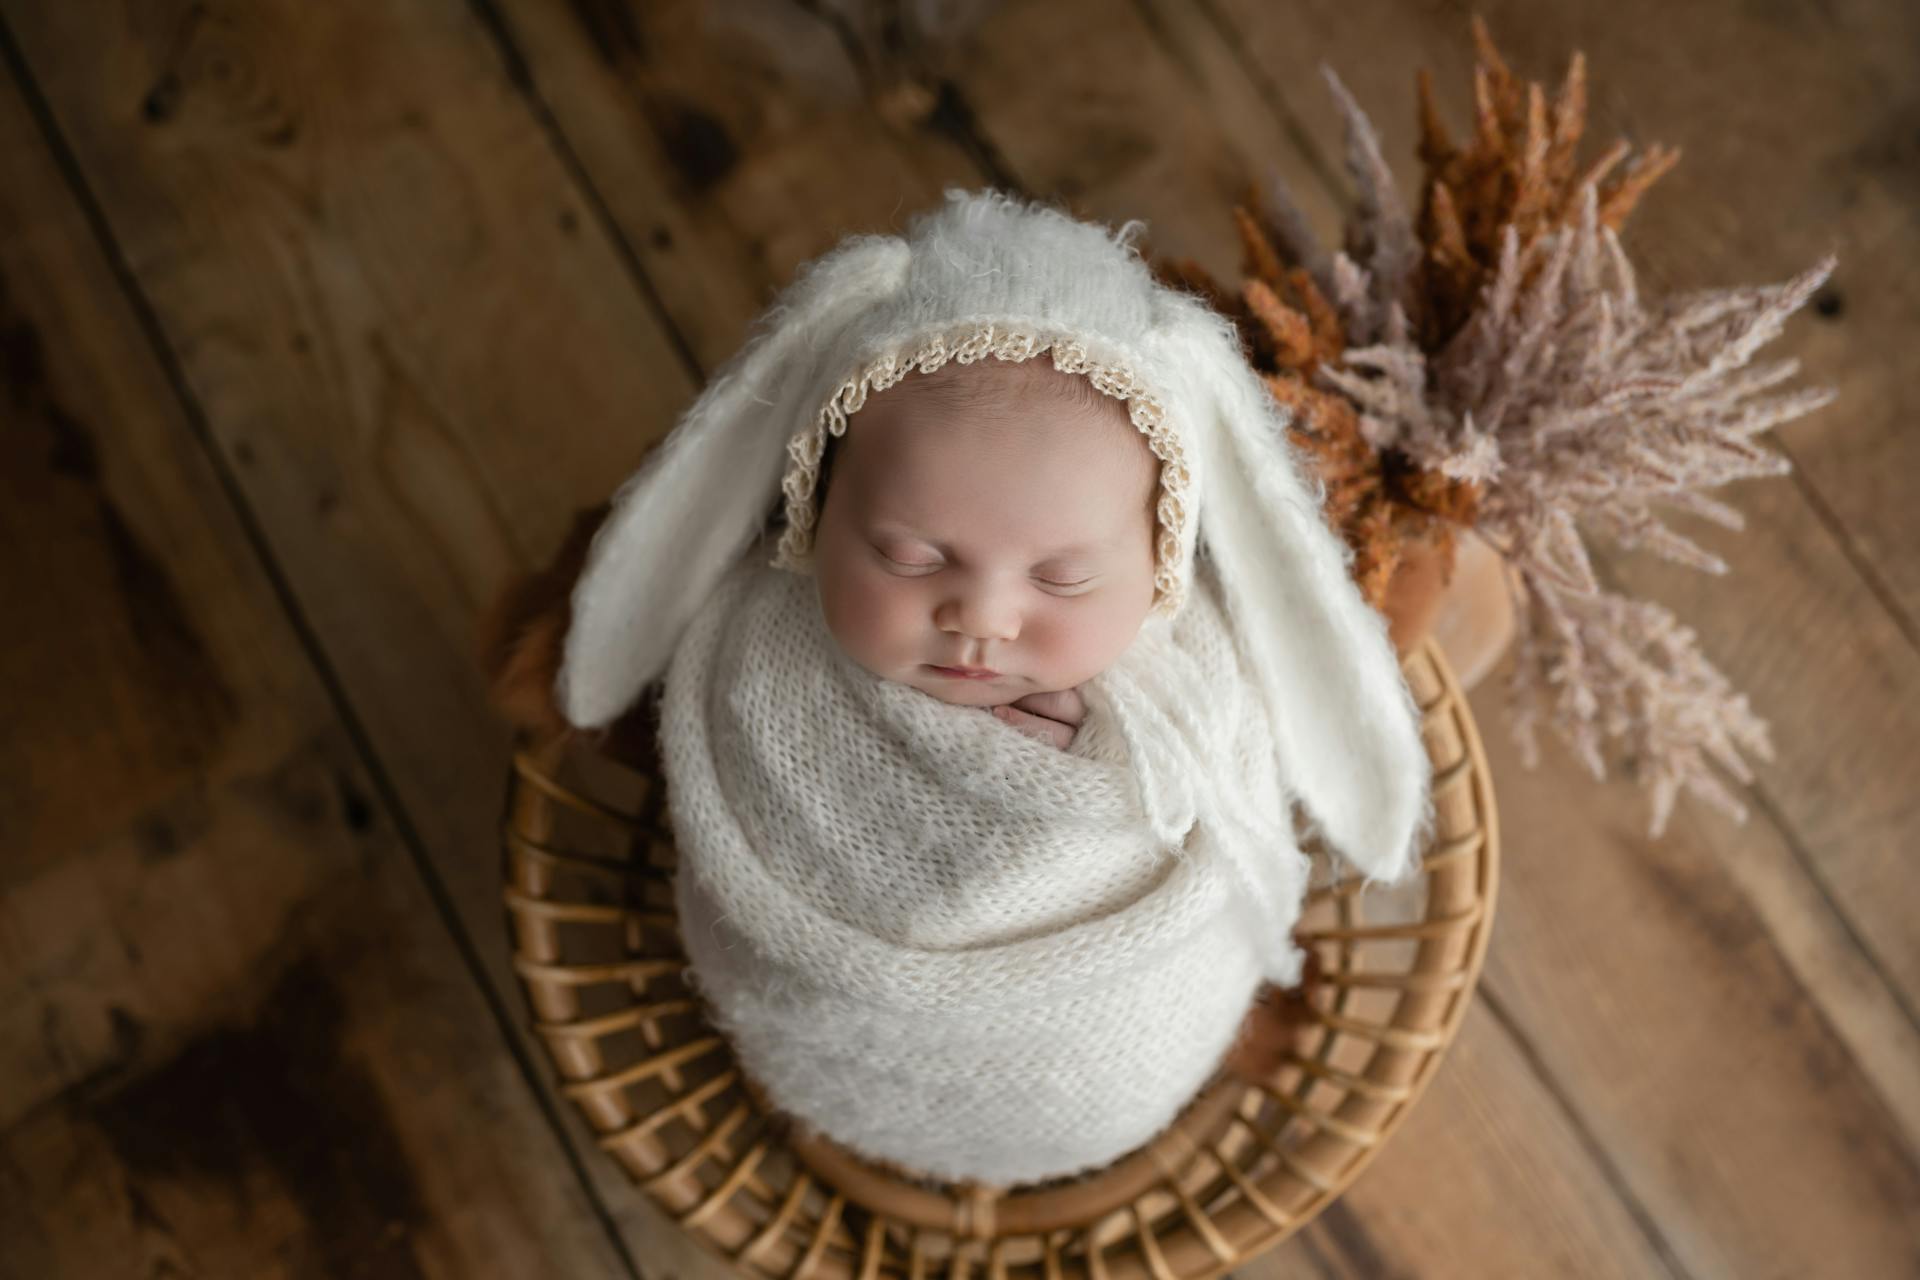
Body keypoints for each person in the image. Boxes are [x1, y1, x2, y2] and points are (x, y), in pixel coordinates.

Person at [500, 189, 1433, 1186]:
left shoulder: (1200, 687)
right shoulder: (753, 655)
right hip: (833, 1045)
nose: (982, 616)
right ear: (813, 509)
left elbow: (1229, 803)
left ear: (1161, 568)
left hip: (1101, 1053)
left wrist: (1086, 774)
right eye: (909, 555)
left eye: (1063, 578)